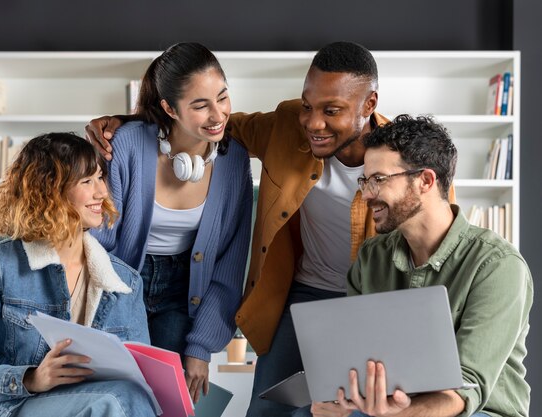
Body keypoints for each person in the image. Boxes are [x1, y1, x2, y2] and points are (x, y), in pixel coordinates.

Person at [86, 41, 391, 416]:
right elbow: (218, 128)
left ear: (369, 105)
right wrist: (127, 122)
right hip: (301, 293)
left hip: (368, 301)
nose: (313, 123)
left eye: (332, 111)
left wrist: (200, 346)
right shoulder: (284, 127)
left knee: (353, 408)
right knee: (264, 409)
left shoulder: (406, 159)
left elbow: (434, 246)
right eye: (308, 106)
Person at [303, 115, 532, 417]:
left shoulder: (497, 265)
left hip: (479, 411)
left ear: (425, 180)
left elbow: (466, 388)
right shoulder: (372, 257)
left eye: (378, 180)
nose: (366, 194)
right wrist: (334, 401)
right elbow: (357, 358)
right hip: (393, 405)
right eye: (364, 180)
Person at [0, 133, 157, 417]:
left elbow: (141, 381)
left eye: (100, 178)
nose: (102, 192)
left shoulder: (125, 282)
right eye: (87, 182)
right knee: (117, 399)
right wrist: (31, 378)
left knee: (130, 397)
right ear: (50, 190)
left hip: (94, 408)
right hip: (13, 409)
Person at [89, 42, 253, 403]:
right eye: (200, 105)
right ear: (169, 108)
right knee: (115, 398)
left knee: (168, 402)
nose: (218, 115)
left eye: (222, 98)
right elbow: (95, 238)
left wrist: (201, 347)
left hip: (184, 292)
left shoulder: (234, 160)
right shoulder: (128, 144)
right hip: (120, 282)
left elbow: (229, 266)